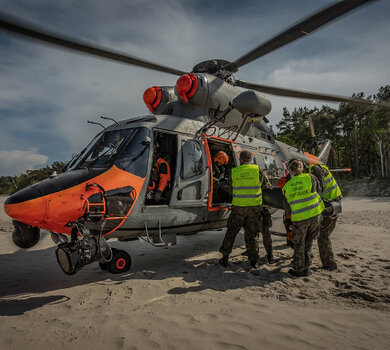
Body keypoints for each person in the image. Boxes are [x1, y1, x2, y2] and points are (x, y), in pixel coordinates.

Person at [219, 150, 266, 269]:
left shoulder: (234, 171)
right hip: (254, 207)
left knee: (232, 232)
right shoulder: (257, 170)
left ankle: (224, 258)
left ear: (240, 159)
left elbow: (230, 188)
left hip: (238, 207)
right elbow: (264, 185)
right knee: (253, 233)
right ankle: (254, 261)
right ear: (251, 159)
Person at [282, 159, 324, 277]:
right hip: (316, 215)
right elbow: (319, 190)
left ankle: (298, 269)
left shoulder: (287, 186)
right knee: (309, 242)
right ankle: (307, 268)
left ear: (290, 170)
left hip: (300, 218)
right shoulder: (310, 177)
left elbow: (287, 208)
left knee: (299, 243)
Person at [308, 163, 342, 270]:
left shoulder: (313, 171)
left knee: (323, 236)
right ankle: (328, 263)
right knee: (323, 235)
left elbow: (319, 189)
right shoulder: (321, 168)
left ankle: (330, 264)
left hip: (331, 205)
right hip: (333, 202)